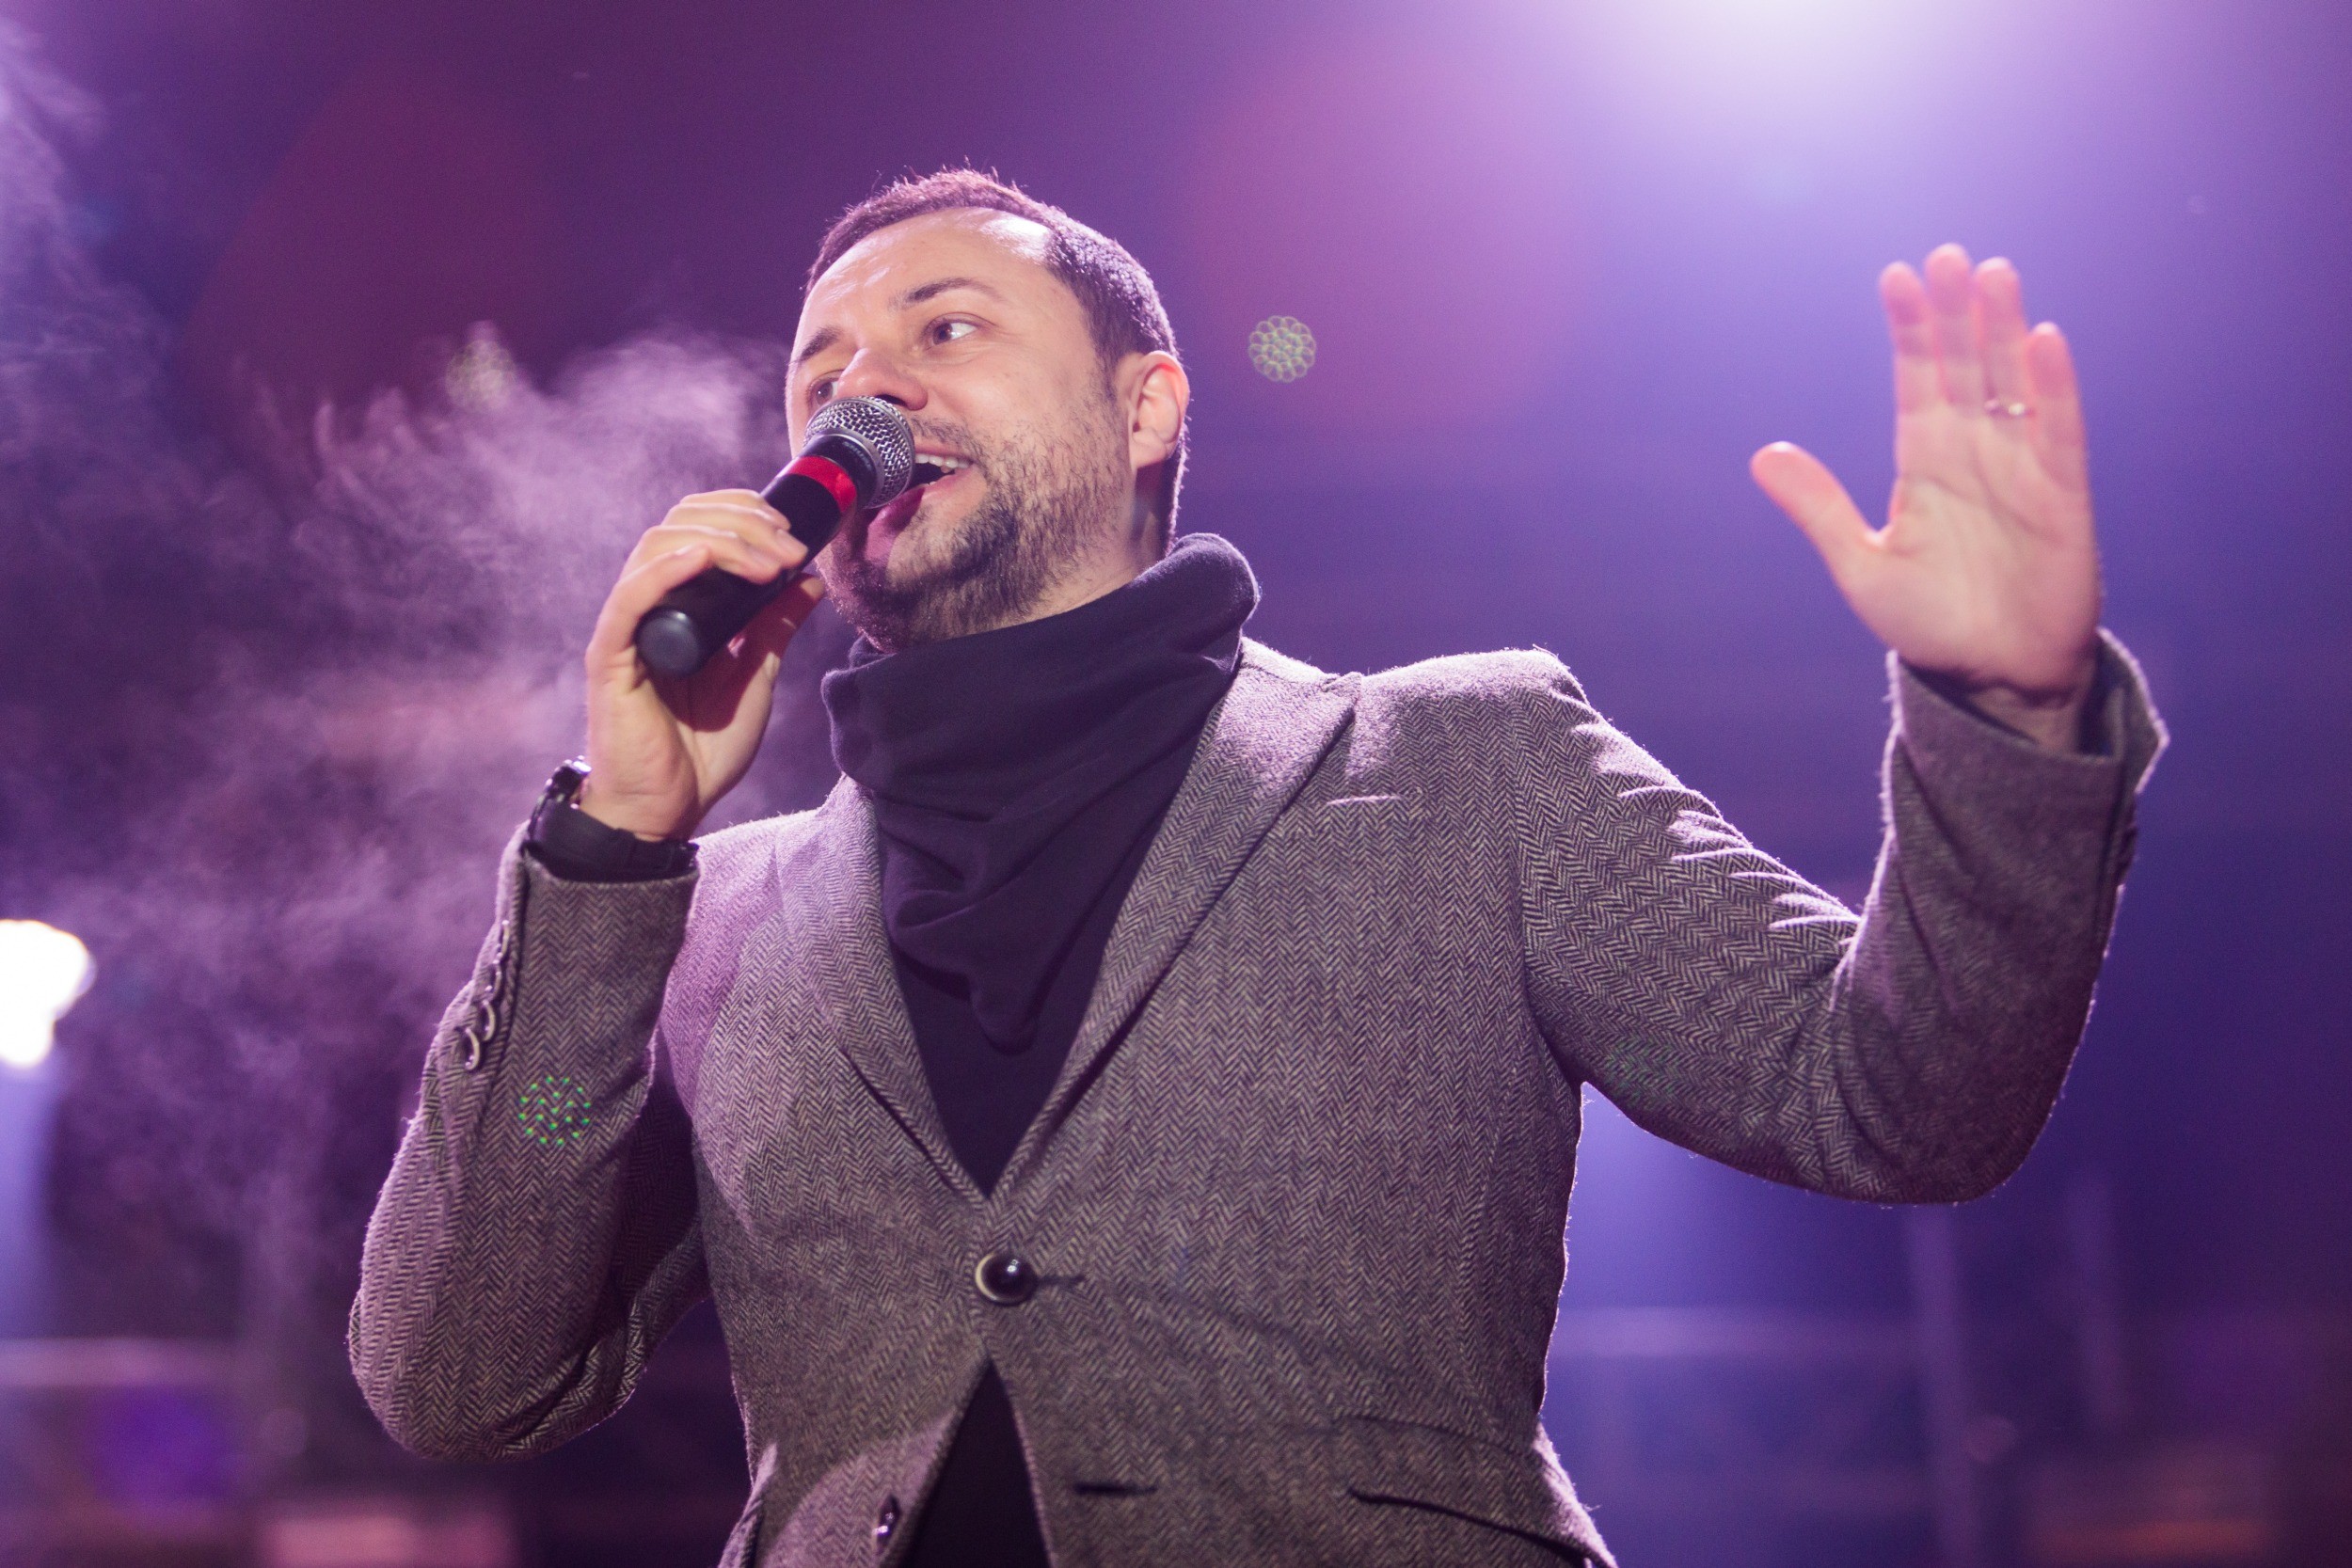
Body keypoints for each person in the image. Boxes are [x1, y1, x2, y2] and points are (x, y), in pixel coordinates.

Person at [351, 169, 2163, 1568]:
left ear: (1147, 407)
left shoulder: (1467, 763)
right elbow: (458, 1377)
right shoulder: (714, 919)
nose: (860, 389)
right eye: (819, 372)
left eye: (946, 327)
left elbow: (1898, 1101)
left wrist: (2005, 717)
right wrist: (610, 845)